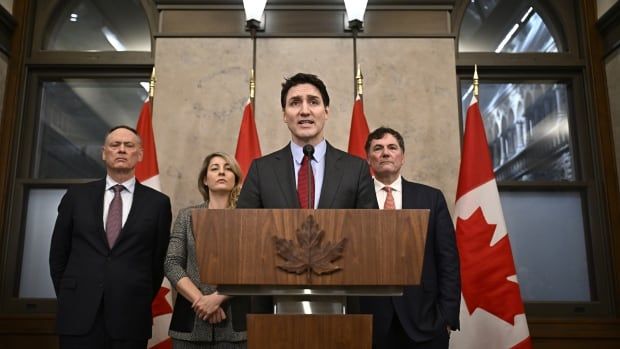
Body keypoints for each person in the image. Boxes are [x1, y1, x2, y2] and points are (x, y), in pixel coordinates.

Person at [234, 72, 378, 329]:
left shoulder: (355, 168)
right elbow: (242, 231)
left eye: (313, 101)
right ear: (284, 115)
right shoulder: (261, 169)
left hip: (343, 303)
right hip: (273, 305)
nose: (304, 110)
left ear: (326, 111)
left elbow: (371, 232)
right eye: (294, 102)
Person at [49, 125, 172, 349]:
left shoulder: (158, 204)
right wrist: (70, 295)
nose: (122, 150)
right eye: (115, 145)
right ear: (104, 153)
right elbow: (58, 254)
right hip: (78, 313)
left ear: (140, 154)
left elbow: (158, 262)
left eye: (129, 145)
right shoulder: (77, 196)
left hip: (130, 316)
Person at [359, 127, 460, 349]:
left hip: (425, 321)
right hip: (369, 322)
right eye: (378, 148)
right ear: (368, 159)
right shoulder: (355, 198)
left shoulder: (431, 198)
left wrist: (447, 318)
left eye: (392, 147)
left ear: (402, 157)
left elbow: (448, 261)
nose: (385, 153)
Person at [164, 152, 247, 349]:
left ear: (235, 178)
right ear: (205, 179)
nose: (221, 172)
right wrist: (202, 301)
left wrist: (218, 298)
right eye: (215, 168)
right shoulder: (187, 216)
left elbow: (253, 267)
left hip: (236, 326)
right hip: (190, 322)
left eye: (228, 169)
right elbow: (172, 264)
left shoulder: (247, 218)